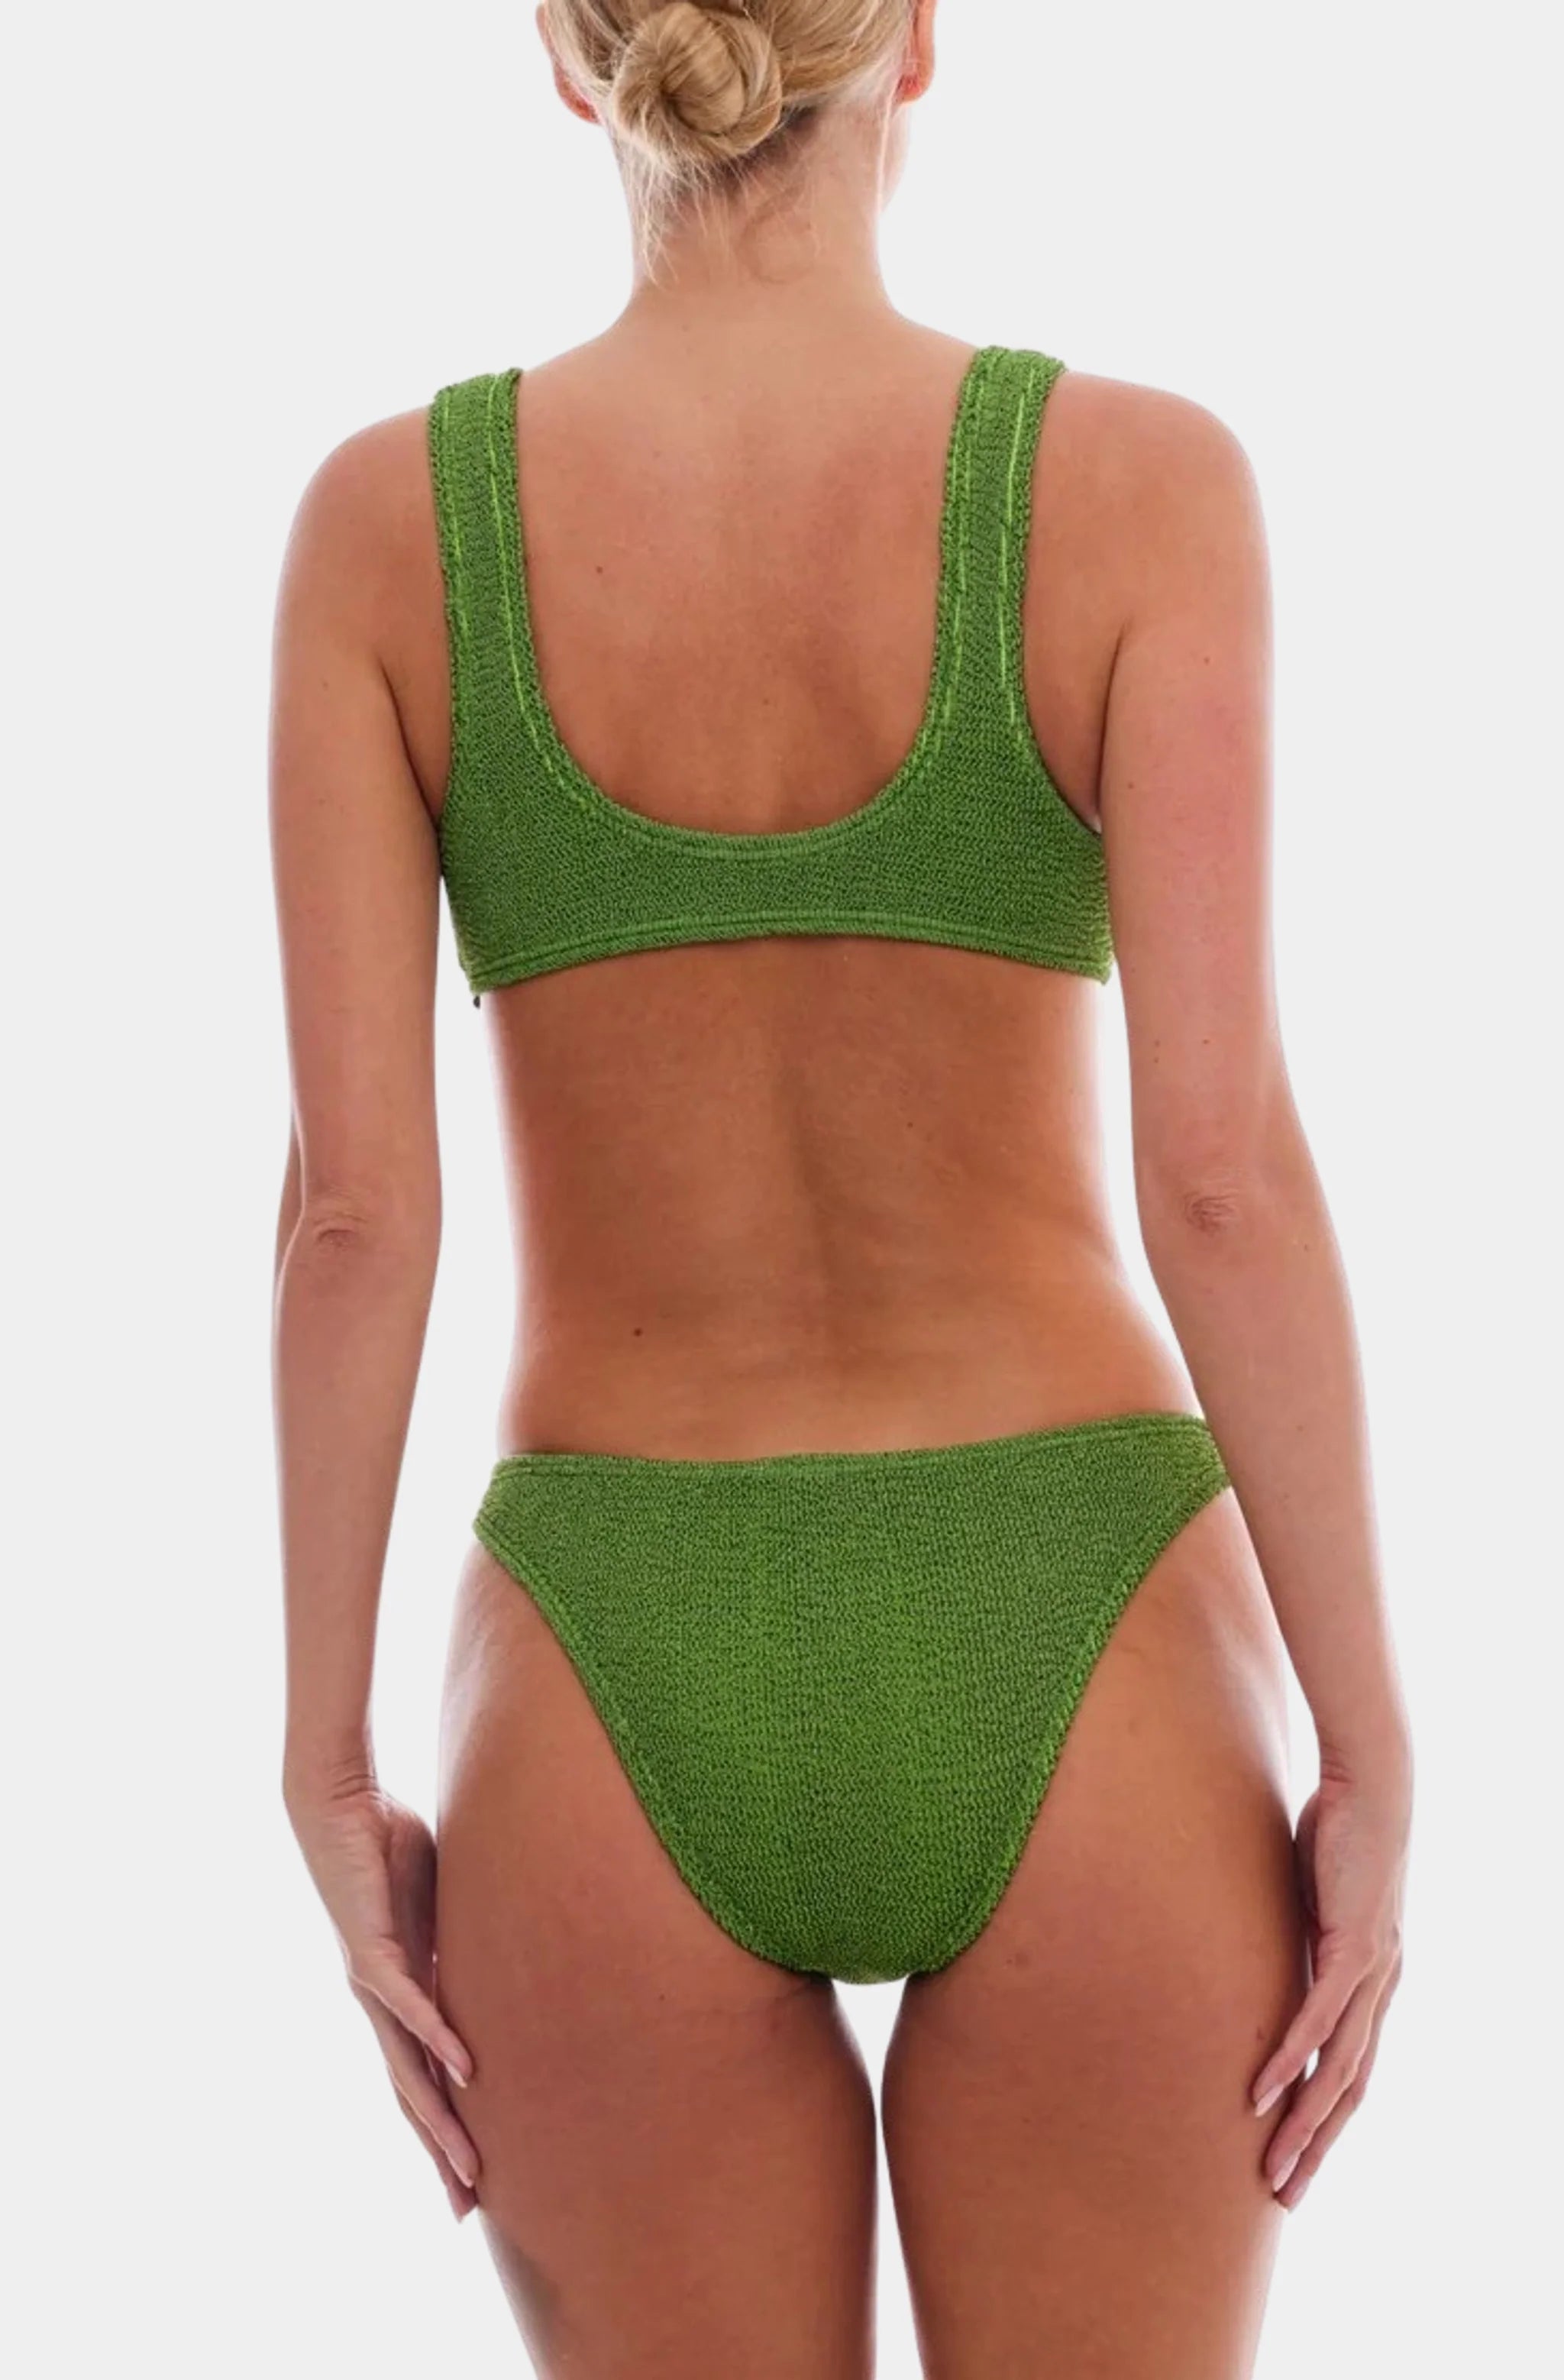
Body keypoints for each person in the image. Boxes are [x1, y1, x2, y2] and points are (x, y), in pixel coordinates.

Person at [269, 2, 1411, 2372]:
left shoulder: (387, 533)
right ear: (916, 41)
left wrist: (329, 1762)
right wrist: (1373, 1749)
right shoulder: (1136, 486)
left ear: (571, 60)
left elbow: (356, 1219)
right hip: (1083, 1609)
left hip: (612, 1637)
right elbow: (1221, 1176)